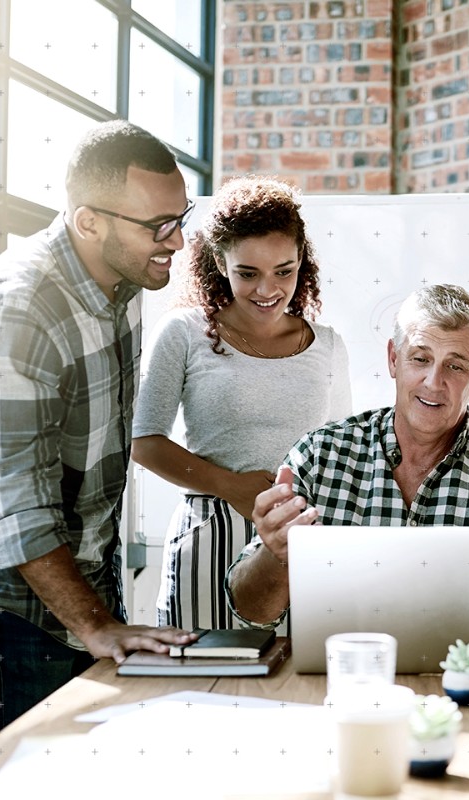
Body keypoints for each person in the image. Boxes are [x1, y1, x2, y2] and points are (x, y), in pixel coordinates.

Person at [0, 121, 199, 758]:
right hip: (5, 603)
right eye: (158, 225)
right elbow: (14, 505)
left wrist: (103, 611)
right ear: (88, 221)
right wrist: (96, 624)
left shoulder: (121, 281)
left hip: (81, 585)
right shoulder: (17, 312)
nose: (176, 240)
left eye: (178, 218)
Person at [225, 284, 469, 643]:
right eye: (420, 359)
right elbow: (251, 610)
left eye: (455, 366)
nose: (433, 381)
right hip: (338, 681)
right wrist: (276, 555)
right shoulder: (320, 455)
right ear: (394, 359)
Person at [133, 177, 351, 630]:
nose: (267, 289)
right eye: (247, 273)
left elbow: (341, 452)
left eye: (284, 271)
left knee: (295, 689)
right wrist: (231, 485)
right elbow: (143, 440)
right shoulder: (184, 332)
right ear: (219, 262)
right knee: (199, 688)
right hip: (211, 531)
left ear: (301, 263)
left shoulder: (327, 345)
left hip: (300, 542)